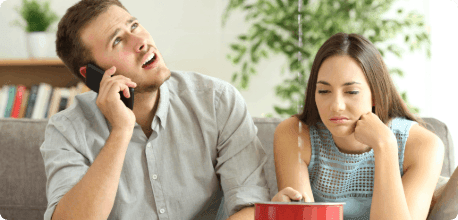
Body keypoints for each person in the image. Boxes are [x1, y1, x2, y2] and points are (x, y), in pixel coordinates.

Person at [40, 0, 270, 219]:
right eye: (118, 41)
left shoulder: (217, 101)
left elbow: (252, 207)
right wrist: (121, 131)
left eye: (134, 25)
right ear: (92, 75)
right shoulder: (66, 130)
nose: (141, 42)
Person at [271, 33, 444, 220]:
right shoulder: (294, 134)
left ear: (376, 94)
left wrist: (385, 146)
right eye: (324, 91)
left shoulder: (425, 146)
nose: (336, 105)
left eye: (351, 91)